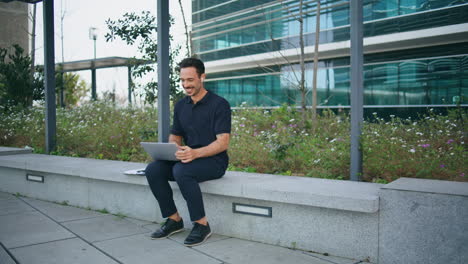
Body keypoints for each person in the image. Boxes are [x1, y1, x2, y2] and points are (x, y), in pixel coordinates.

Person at [144, 57, 231, 247]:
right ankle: (174, 220)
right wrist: (173, 149)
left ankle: (201, 225)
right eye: (182, 80)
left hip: (214, 161)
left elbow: (223, 143)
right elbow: (175, 136)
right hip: (189, 158)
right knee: (153, 169)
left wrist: (195, 153)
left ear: (202, 77)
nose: (185, 85)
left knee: (182, 171)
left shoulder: (219, 104)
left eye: (190, 80)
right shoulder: (181, 105)